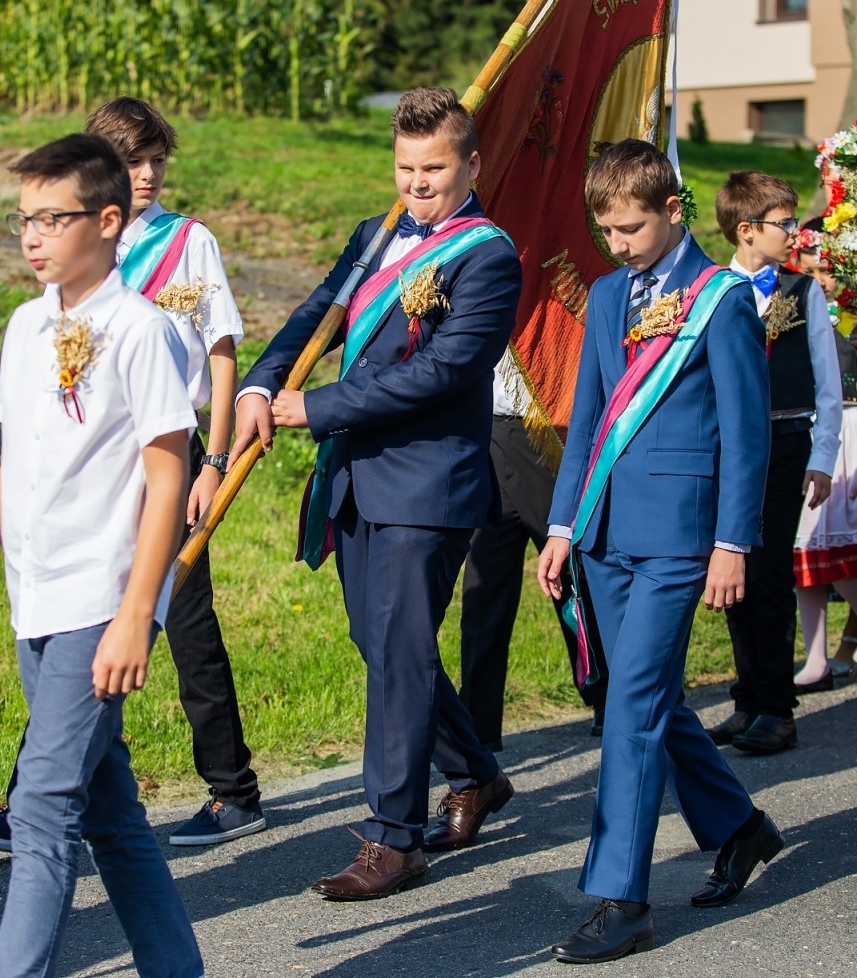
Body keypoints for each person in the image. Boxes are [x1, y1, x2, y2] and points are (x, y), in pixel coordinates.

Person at [0, 135, 203, 978]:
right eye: (24, 219)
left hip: (98, 601)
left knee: (40, 809)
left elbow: (164, 472)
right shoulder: (27, 321)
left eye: (52, 218)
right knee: (108, 808)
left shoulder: (142, 331)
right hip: (33, 595)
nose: (32, 236)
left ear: (108, 221)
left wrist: (136, 616)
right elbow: (20, 470)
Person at [0, 96, 262, 854]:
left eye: (158, 160)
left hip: (171, 452)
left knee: (183, 617)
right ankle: (39, 795)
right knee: (66, 632)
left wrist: (212, 461)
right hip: (90, 452)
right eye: (133, 163)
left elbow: (219, 354)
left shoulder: (189, 243)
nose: (149, 175)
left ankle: (232, 789)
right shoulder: (77, 247)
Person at [232, 87, 519, 899]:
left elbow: (444, 370)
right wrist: (262, 383)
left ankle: (394, 839)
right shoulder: (377, 233)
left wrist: (313, 408)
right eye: (405, 167)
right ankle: (473, 771)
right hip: (359, 477)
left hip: (427, 482)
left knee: (396, 654)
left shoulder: (488, 255)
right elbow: (317, 312)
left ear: (471, 163)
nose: (418, 184)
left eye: (434, 168)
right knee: (386, 644)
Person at [538, 140, 783, 964]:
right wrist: (564, 526)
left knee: (633, 708)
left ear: (674, 210)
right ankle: (740, 827)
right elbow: (588, 423)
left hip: (682, 536)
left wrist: (730, 544)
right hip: (605, 534)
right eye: (606, 230)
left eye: (633, 227)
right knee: (640, 701)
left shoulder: (723, 299)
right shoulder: (607, 298)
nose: (620, 244)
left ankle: (622, 899)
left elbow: (748, 438)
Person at [706, 172, 841, 755]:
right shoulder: (711, 290)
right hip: (729, 450)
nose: (793, 232)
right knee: (733, 570)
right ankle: (748, 697)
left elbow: (828, 383)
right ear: (746, 230)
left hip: (785, 444)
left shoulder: (802, 291)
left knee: (769, 573)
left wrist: (823, 457)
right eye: (783, 224)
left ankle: (778, 707)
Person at [457, 353, 608, 750]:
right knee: (483, 588)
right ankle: (478, 722)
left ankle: (606, 696)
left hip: (542, 428)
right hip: (484, 431)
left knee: (569, 577)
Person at [789, 231, 857, 692]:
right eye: (809, 270)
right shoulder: (790, 314)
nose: (818, 280)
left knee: (836, 550)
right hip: (804, 433)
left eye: (825, 270)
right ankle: (814, 657)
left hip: (844, 435)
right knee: (803, 552)